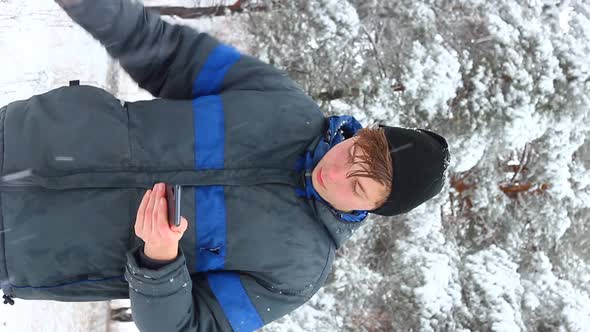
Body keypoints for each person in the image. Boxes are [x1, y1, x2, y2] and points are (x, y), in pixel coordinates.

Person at [0, 0, 450, 331]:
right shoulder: (280, 104)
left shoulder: (295, 271)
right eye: (353, 152)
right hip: (19, 139)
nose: (335, 173)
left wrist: (160, 262)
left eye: (358, 186)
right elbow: (167, 52)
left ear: (373, 208)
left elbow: (184, 327)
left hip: (22, 250)